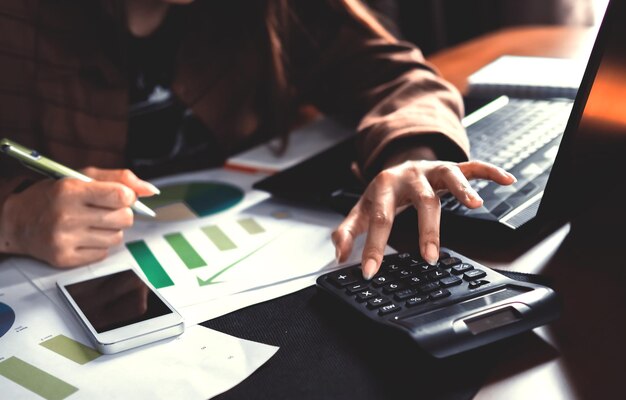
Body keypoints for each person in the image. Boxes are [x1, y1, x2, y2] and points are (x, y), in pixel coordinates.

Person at [0, 0, 515, 279]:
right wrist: (14, 222)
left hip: (242, 277)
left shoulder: (268, 9)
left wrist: (413, 156)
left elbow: (399, 78)